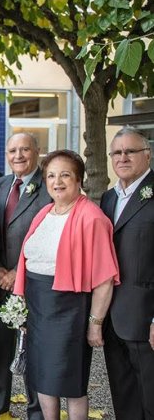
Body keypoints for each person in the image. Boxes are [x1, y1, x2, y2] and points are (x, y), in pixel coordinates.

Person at [13, 150, 120, 420]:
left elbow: (105, 278)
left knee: (71, 382)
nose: (57, 181)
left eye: (65, 175)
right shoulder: (45, 212)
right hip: (38, 308)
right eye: (51, 175)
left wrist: (95, 322)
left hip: (68, 309)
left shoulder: (92, 218)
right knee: (43, 377)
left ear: (78, 179)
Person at [0, 133, 50, 420]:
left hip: (32, 281)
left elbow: (47, 237)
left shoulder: (48, 187)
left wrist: (15, 273)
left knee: (34, 347)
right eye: (13, 150)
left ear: (37, 152)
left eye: (25, 149)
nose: (18, 155)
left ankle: (37, 408)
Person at [100, 127, 154, 420]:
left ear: (147, 154)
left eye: (130, 151)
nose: (122, 157)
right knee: (123, 394)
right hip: (113, 315)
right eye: (117, 152)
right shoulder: (108, 198)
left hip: (146, 317)